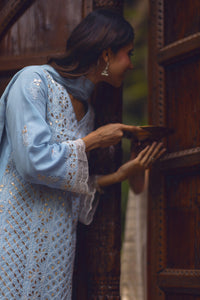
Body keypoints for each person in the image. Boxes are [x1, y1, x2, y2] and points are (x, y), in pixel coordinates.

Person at [0, 8, 165, 300]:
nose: (130, 64)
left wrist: (119, 176)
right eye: (128, 54)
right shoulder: (34, 83)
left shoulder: (87, 111)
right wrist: (92, 141)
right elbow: (31, 161)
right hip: (14, 239)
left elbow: (64, 188)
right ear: (105, 55)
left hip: (57, 252)